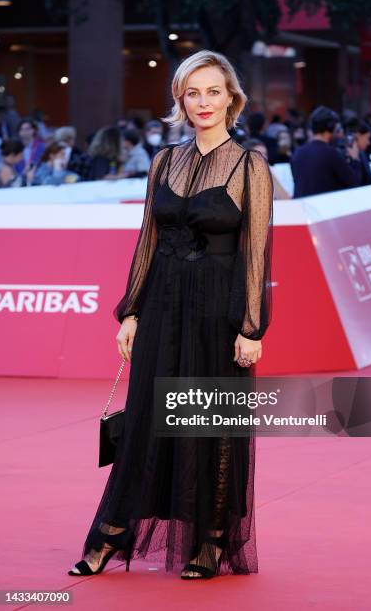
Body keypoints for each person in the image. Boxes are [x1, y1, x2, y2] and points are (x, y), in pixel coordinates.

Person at [68, 49, 273, 580]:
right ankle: (114, 532)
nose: (202, 102)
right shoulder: (164, 161)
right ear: (179, 100)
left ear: (231, 98)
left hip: (217, 312)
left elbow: (257, 251)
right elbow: (147, 240)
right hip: (161, 305)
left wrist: (252, 326)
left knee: (212, 425)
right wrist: (130, 311)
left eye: (212, 91)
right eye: (191, 92)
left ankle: (211, 537)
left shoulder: (250, 165)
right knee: (145, 420)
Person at [291, 106, 362, 198]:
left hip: (303, 209)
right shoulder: (331, 154)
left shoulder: (297, 152)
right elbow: (354, 183)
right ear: (331, 127)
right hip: (325, 210)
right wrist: (355, 159)